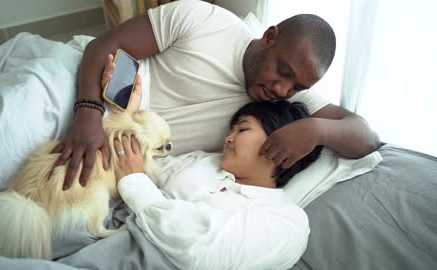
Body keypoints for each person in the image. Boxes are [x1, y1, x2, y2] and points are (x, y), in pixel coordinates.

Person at [52, 0, 380, 190]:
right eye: (282, 71)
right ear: (269, 37)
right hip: (82, 89)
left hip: (118, 144)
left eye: (296, 87)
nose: (282, 90)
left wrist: (315, 129)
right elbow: (103, 46)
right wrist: (87, 113)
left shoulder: (282, 102)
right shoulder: (204, 20)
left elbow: (366, 138)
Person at [112, 99, 323, 270]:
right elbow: (135, 162)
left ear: (280, 142)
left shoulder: (286, 221)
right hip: (111, 225)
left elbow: (201, 252)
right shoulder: (204, 160)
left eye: (242, 130)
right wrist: (129, 120)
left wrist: (136, 185)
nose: (228, 139)